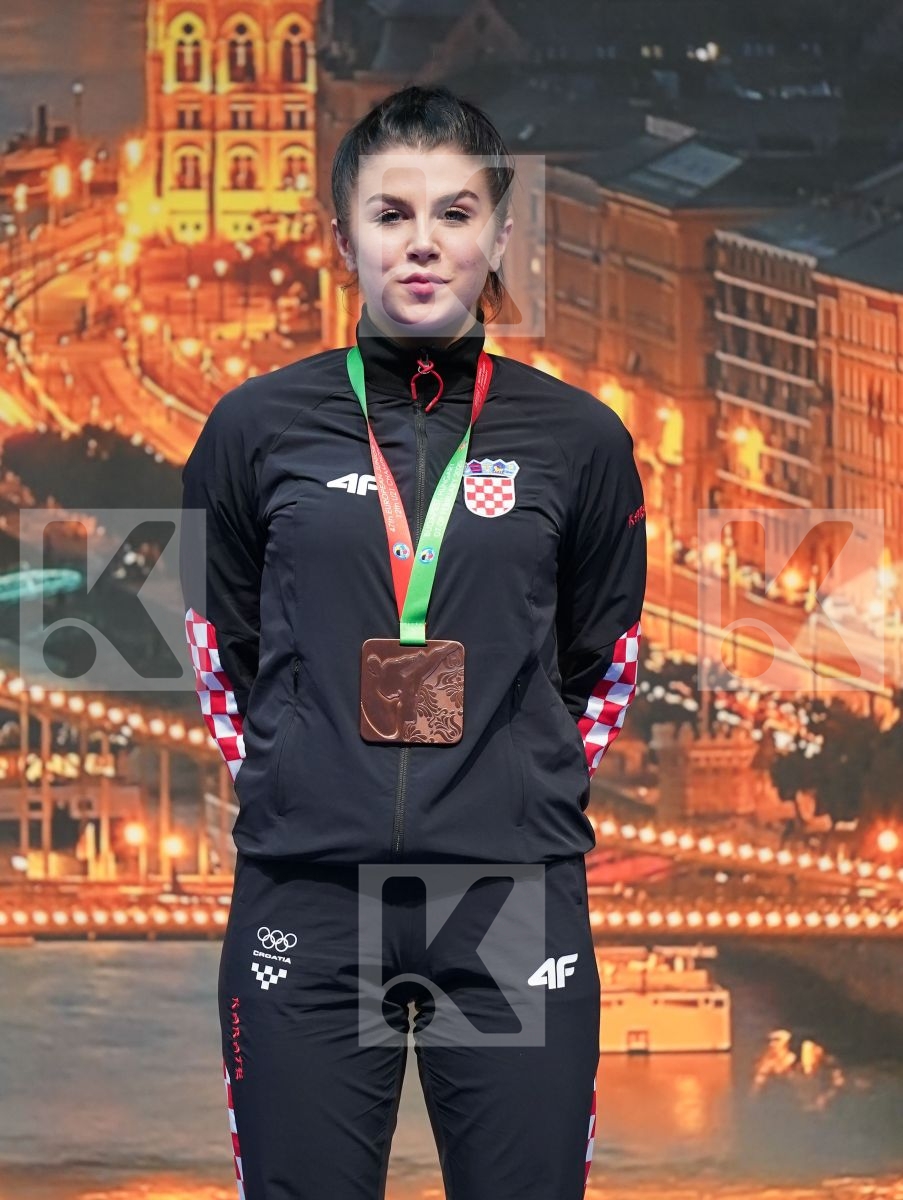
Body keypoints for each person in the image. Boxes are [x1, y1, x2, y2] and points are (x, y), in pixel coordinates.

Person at [180, 84, 647, 1200]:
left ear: (497, 235)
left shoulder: (579, 440)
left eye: (454, 213)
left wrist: (510, 785)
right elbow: (217, 642)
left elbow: (605, 658)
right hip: (308, 898)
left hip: (510, 903)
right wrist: (307, 773)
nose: (423, 244)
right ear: (342, 235)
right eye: (391, 215)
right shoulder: (253, 428)